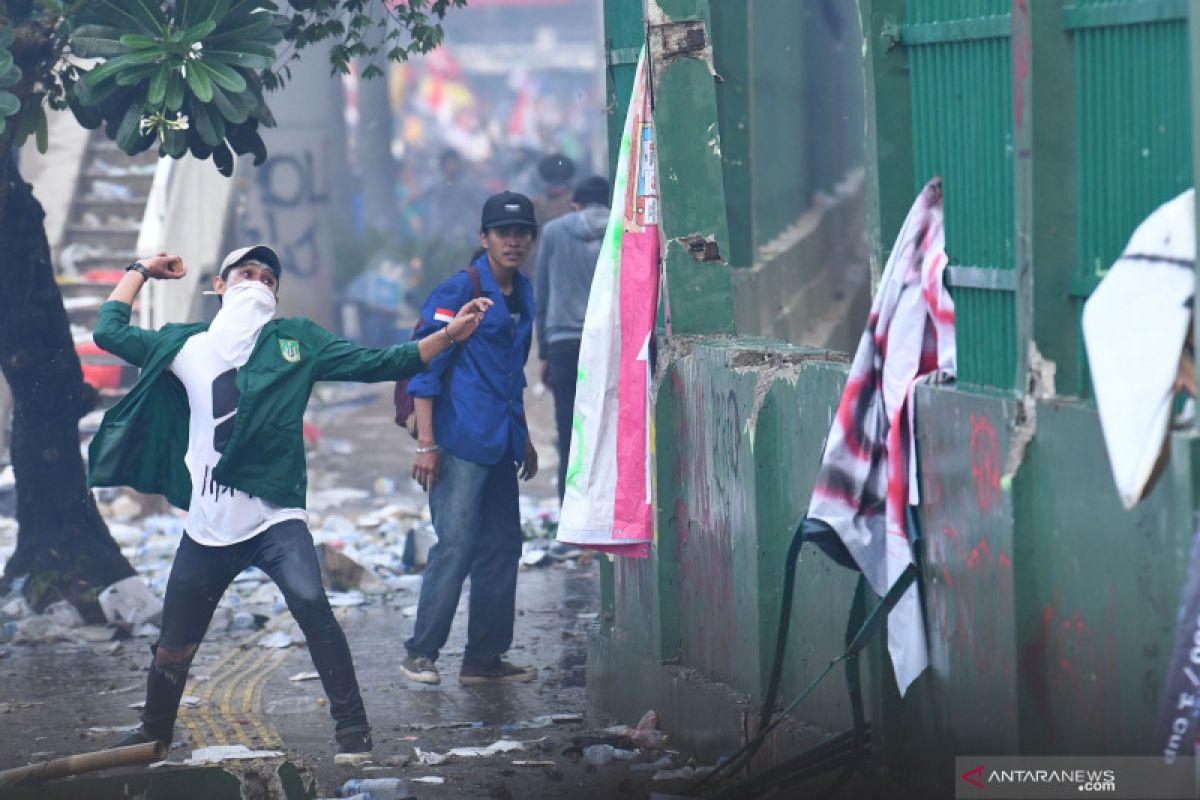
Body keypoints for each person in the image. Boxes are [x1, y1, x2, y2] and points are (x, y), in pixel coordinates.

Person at [89, 245, 491, 764]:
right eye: (246, 274)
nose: (257, 282)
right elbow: (108, 331)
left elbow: (381, 362)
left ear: (276, 295)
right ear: (220, 286)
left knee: (312, 605)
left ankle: (353, 733)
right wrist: (141, 272)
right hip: (209, 526)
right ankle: (152, 733)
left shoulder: (296, 341)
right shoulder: (183, 345)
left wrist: (447, 336)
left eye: (267, 278)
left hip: (275, 516)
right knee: (173, 645)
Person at [401, 191, 540, 686]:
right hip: (458, 441)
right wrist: (427, 445)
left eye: (522, 232)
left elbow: (511, 373)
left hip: (501, 442)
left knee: (503, 547)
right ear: (484, 239)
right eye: (503, 233)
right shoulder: (457, 290)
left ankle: (483, 660)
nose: (514, 241)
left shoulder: (524, 293)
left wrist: (522, 436)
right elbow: (424, 365)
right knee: (455, 546)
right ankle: (421, 653)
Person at [534, 176, 610, 502]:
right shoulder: (623, 228)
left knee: (570, 433)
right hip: (608, 345)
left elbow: (542, 292)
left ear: (575, 203)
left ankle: (572, 513)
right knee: (607, 431)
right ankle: (605, 511)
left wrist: (544, 351)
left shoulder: (553, 232)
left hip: (564, 345)